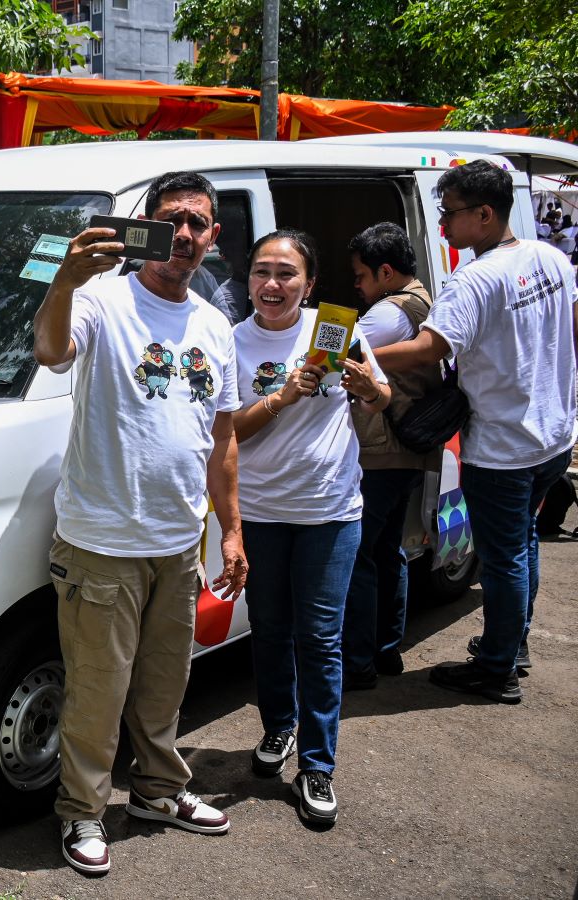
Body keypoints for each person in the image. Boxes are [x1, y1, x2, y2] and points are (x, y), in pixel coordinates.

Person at [33, 171, 248, 875]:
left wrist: (232, 530)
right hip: (101, 541)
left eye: (198, 223)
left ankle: (158, 792)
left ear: (213, 238)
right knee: (97, 693)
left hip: (178, 540)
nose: (183, 235)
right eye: (170, 220)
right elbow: (52, 351)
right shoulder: (102, 299)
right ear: (144, 227)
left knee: (164, 686)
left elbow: (222, 441)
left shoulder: (215, 324)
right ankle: (83, 814)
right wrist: (64, 280)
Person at [374, 159, 577, 704]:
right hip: (553, 437)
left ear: (485, 214)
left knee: (505, 555)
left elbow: (430, 347)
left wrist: (352, 352)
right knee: (523, 544)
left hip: (505, 448)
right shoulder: (550, 258)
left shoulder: (476, 278)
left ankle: (495, 669)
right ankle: (514, 645)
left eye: (450, 214)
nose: (442, 226)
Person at [231, 228, 390, 828]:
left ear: (309, 283)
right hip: (263, 512)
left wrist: (366, 387)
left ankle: (318, 765)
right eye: (262, 273)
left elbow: (381, 399)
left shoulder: (336, 328)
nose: (273, 285)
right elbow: (229, 433)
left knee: (319, 639)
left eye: (287, 274)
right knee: (269, 630)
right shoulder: (230, 342)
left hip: (329, 510)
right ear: (248, 280)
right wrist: (284, 396)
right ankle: (279, 730)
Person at [341, 223, 440, 690]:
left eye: (361, 277)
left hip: (382, 447)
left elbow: (331, 351)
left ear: (385, 272)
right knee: (387, 550)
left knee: (359, 552)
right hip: (406, 446)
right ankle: (385, 650)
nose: (357, 286)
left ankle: (358, 660)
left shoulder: (387, 314)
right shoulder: (420, 298)